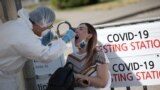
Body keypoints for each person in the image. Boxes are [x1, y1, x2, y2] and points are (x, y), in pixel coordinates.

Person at [0, 6, 75, 90]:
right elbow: (46, 55)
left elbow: (25, 46)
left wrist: (41, 43)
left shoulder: (16, 25)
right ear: (41, 24)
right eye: (49, 27)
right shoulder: (24, 36)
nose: (49, 30)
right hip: (3, 79)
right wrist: (65, 40)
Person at [66, 23, 111, 90]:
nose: (76, 31)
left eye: (81, 29)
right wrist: (78, 83)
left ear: (89, 36)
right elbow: (67, 82)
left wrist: (78, 76)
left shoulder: (98, 55)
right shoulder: (70, 57)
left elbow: (102, 83)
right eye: (76, 29)